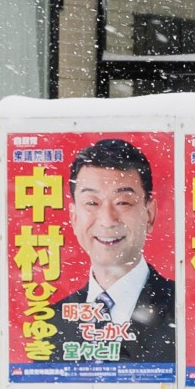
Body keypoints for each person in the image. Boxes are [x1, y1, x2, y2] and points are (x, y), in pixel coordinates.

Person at [57, 137, 175, 364]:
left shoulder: (183, 306)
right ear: (73, 216)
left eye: (123, 202)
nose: (108, 220)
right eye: (92, 203)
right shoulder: (51, 321)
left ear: (149, 214)